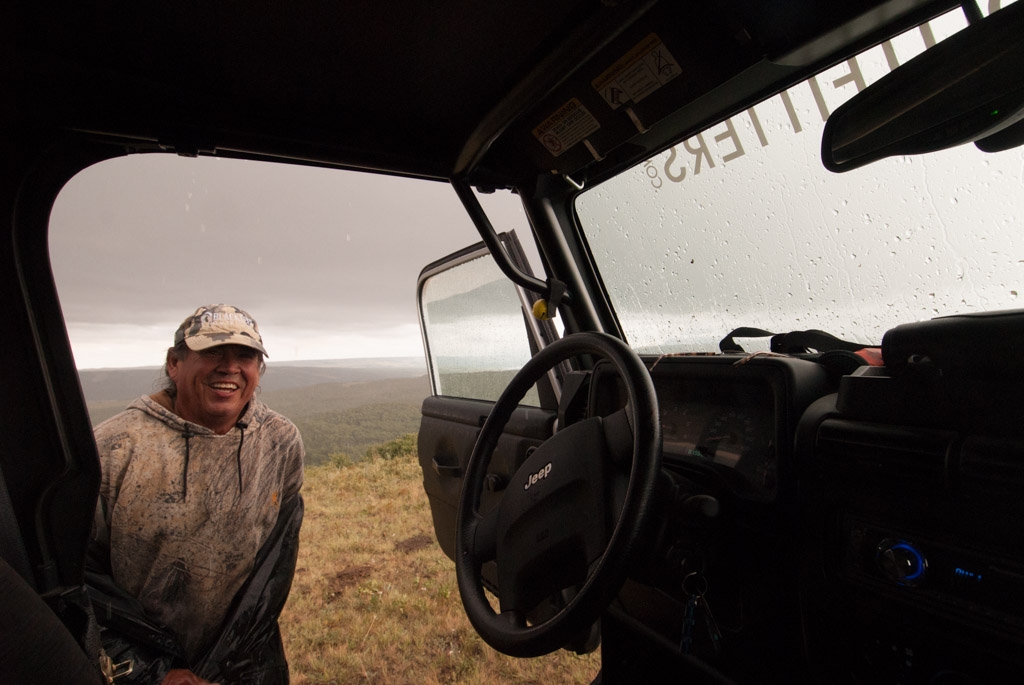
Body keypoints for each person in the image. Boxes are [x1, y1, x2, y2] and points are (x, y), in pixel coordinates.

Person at [88, 305, 305, 684]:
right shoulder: (114, 448)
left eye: (246, 356)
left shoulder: (279, 442)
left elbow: (274, 568)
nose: (229, 367)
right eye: (212, 352)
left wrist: (240, 659)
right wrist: (151, 673)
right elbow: (81, 581)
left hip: (245, 661)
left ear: (259, 370)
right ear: (174, 363)